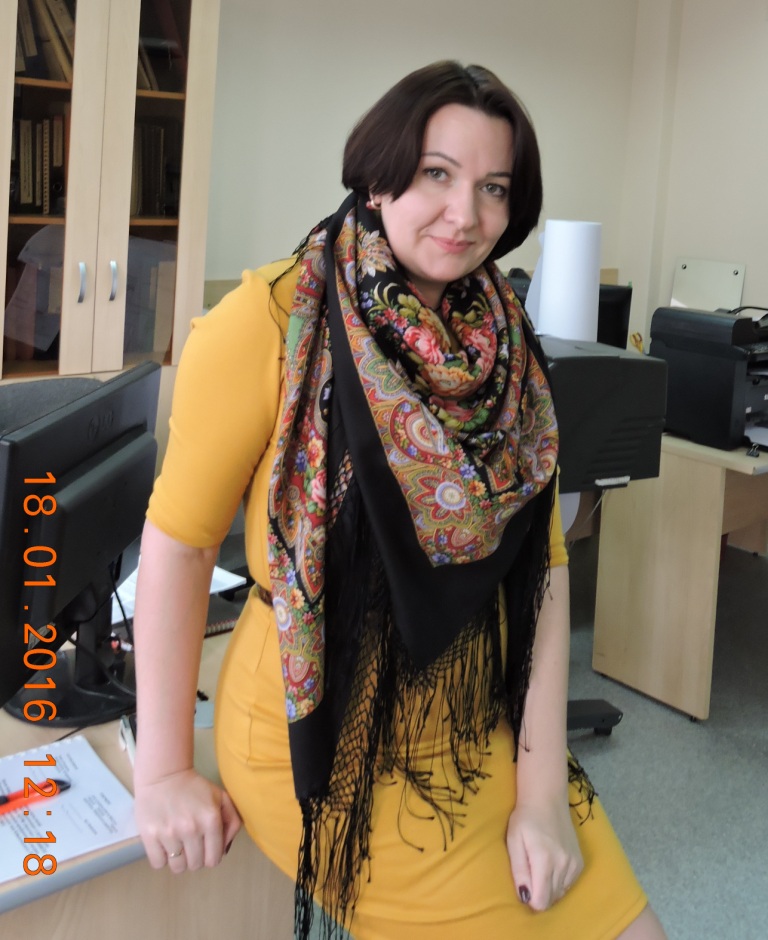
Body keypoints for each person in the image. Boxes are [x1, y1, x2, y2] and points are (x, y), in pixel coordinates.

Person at [132, 61, 667, 940]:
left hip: (476, 716)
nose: (466, 214)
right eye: (436, 174)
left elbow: (544, 570)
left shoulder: (507, 349)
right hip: (320, 725)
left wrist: (541, 794)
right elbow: (181, 545)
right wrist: (160, 773)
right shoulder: (269, 319)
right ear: (378, 177)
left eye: (494, 188)